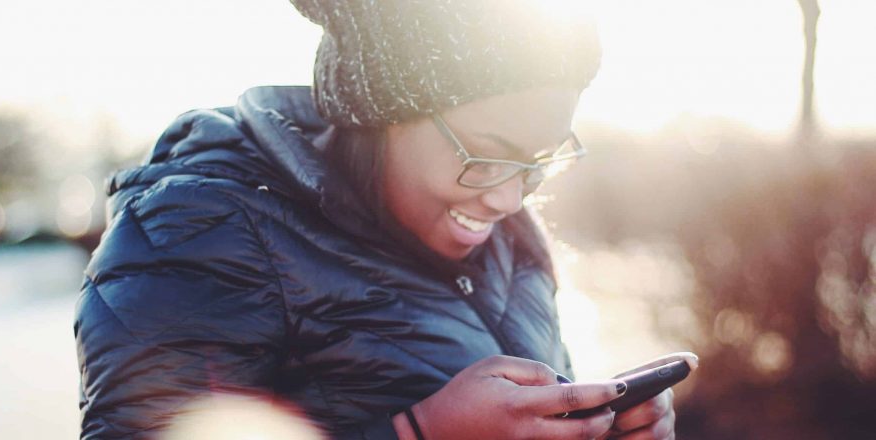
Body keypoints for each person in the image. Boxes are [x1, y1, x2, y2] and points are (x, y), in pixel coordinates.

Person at [74, 1, 686, 439]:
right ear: (381, 112)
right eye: (485, 153)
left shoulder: (511, 243)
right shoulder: (201, 229)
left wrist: (596, 427)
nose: (510, 199)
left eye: (538, 161)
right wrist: (418, 433)